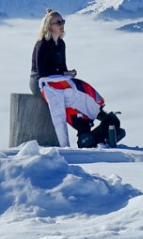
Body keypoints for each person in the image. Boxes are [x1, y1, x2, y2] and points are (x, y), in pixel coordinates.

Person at [31, 9, 124, 148]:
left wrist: (67, 73)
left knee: (79, 89)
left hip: (57, 80)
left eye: (63, 21)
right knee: (73, 94)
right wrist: (64, 74)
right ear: (49, 26)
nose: (62, 25)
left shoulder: (61, 44)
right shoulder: (42, 44)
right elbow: (42, 71)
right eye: (58, 22)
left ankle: (87, 132)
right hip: (40, 83)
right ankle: (91, 129)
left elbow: (61, 68)